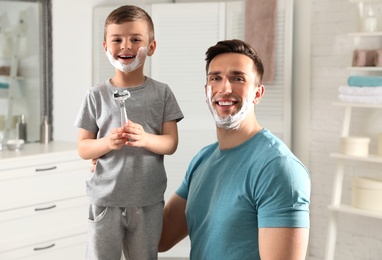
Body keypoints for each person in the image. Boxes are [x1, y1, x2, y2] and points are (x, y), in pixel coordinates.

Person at [158, 39, 311, 260]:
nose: (224, 88)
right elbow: (162, 237)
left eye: (238, 78)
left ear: (258, 93)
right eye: (215, 78)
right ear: (206, 91)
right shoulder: (203, 159)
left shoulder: (279, 168)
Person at [74, 5, 183, 260]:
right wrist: (108, 143)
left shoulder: (162, 93)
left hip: (148, 201)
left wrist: (145, 138)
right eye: (117, 39)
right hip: (105, 200)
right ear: (105, 47)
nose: (126, 46)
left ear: (151, 47)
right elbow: (83, 148)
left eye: (136, 39)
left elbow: (171, 143)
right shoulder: (96, 95)